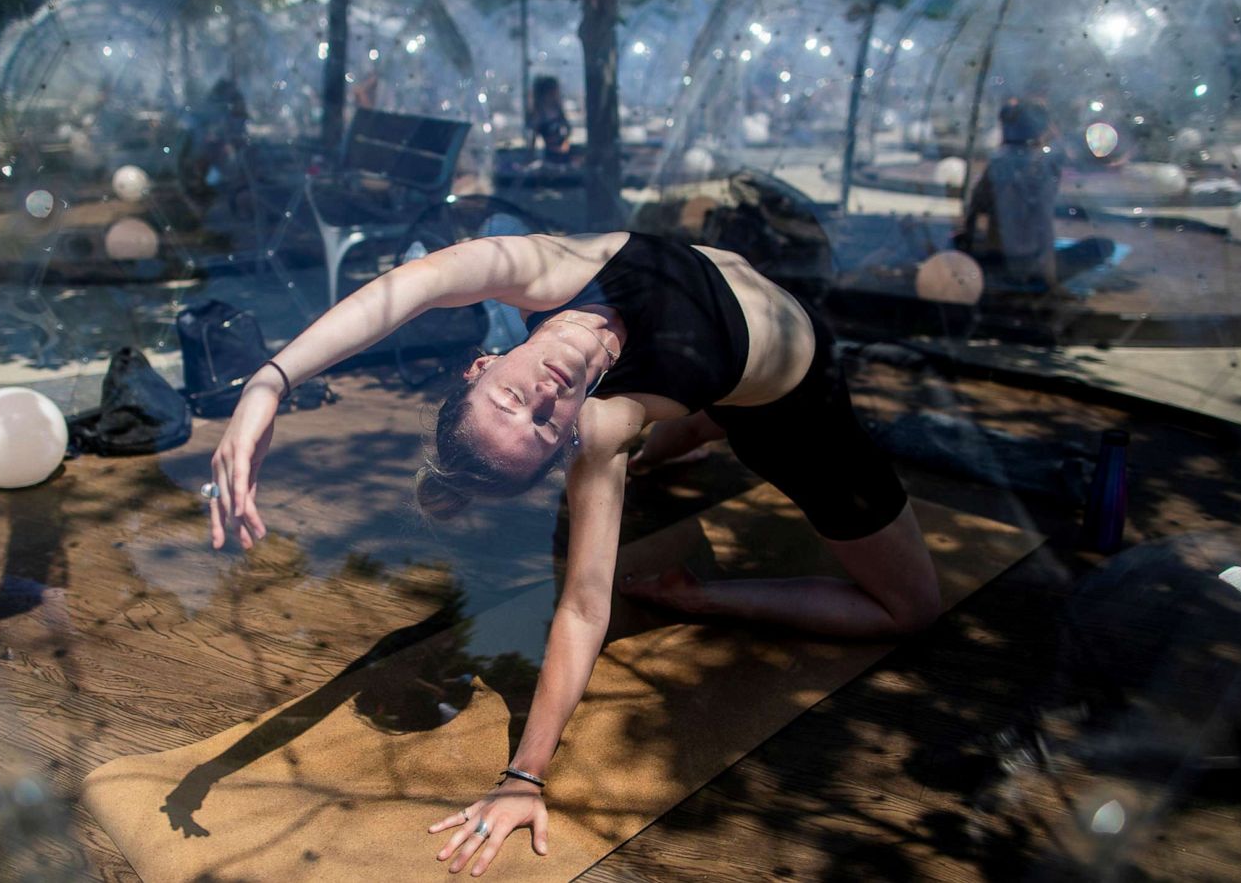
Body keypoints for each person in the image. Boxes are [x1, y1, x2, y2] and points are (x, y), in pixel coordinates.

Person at [207, 232, 940, 876]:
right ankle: (699, 590)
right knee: (909, 610)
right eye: (542, 427)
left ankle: (700, 424)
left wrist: (268, 385)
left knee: (686, 422)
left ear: (481, 363)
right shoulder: (606, 423)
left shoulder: (555, 268)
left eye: (508, 399)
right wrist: (524, 776)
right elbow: (586, 607)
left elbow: (413, 286)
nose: (543, 398)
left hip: (716, 373)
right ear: (566, 444)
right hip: (795, 413)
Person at [957, 98, 1066, 294]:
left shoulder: (998, 161)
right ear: (1040, 130)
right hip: (1028, 263)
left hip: (997, 259)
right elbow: (1044, 223)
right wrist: (1051, 281)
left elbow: (975, 209)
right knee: (1099, 247)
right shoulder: (1041, 166)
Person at [528, 75, 572, 165]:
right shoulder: (538, 114)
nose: (555, 94)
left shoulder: (558, 111)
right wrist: (531, 158)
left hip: (564, 156)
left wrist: (565, 142)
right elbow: (533, 138)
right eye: (552, 91)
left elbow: (567, 129)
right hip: (549, 158)